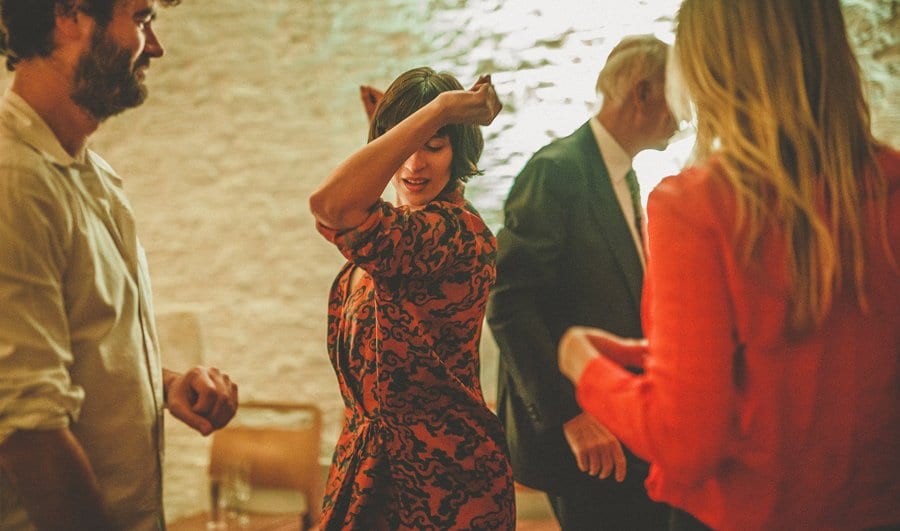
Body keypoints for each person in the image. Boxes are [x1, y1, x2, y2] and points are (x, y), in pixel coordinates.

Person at [558, 1, 900, 530]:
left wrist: (582, 363)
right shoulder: (889, 185)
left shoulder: (697, 207)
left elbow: (685, 440)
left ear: (708, 66)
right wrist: (674, 357)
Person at [0, 1, 239, 529]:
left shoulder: (92, 176)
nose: (153, 46)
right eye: (140, 18)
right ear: (68, 14)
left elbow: (83, 346)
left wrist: (164, 384)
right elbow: (29, 431)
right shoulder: (14, 180)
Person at [309, 67, 515, 530]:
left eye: (435, 145)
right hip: (370, 468)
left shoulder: (456, 232)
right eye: (405, 144)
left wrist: (443, 108)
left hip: (444, 483)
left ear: (457, 151)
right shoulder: (395, 229)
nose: (414, 164)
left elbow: (331, 206)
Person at [486, 35, 676, 530]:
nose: (687, 116)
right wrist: (569, 415)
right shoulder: (557, 171)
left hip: (620, 416)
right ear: (642, 94)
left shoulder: (623, 175)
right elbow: (508, 302)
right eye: (680, 97)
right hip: (583, 431)